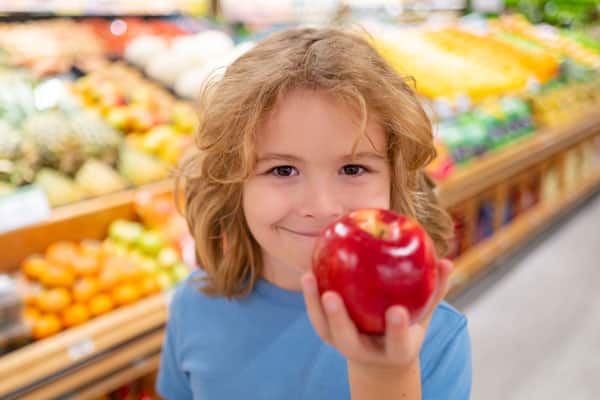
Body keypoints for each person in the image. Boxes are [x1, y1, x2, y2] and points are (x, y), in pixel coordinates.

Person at [156, 27, 471, 399]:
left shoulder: (429, 335)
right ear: (232, 184)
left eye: (353, 170)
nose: (322, 207)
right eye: (282, 170)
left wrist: (386, 375)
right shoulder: (194, 305)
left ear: (395, 181)